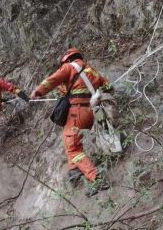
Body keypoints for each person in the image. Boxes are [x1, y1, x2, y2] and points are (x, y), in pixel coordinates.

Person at [30, 48, 112, 196]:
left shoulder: (69, 67)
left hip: (77, 112)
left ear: (67, 60)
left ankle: (97, 179)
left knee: (74, 148)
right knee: (69, 140)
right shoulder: (91, 70)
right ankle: (74, 170)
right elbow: (108, 87)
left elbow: (52, 80)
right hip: (90, 112)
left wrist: (38, 91)